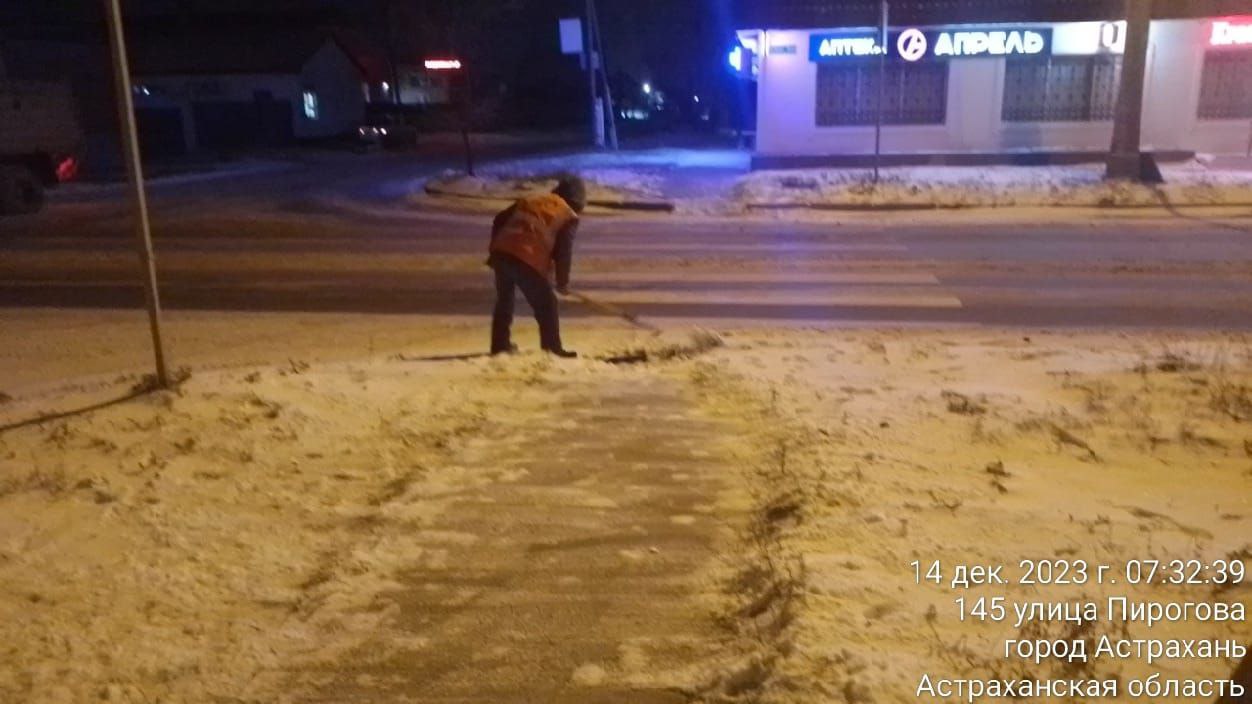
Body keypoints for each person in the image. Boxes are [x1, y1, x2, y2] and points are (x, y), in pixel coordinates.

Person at [487, 175, 586, 358]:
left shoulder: (533, 199)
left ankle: (499, 345)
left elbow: (499, 219)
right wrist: (562, 281)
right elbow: (563, 251)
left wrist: (495, 248)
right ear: (577, 201)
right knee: (547, 304)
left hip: (501, 253)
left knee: (504, 300)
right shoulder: (567, 214)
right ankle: (552, 349)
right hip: (525, 256)